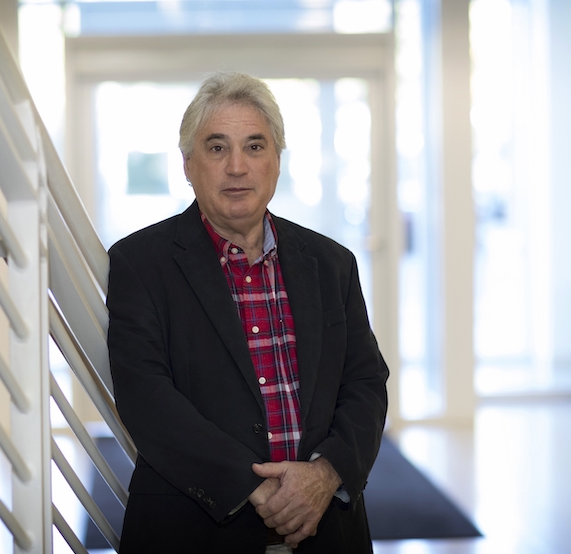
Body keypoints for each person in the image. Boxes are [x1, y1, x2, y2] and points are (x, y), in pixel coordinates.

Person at [106, 72, 389, 553]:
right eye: (217, 148)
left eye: (255, 147)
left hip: (327, 530)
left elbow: (364, 382)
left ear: (277, 161)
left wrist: (323, 476)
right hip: (193, 532)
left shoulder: (332, 264)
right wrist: (256, 489)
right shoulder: (138, 263)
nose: (237, 167)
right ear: (188, 164)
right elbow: (146, 398)